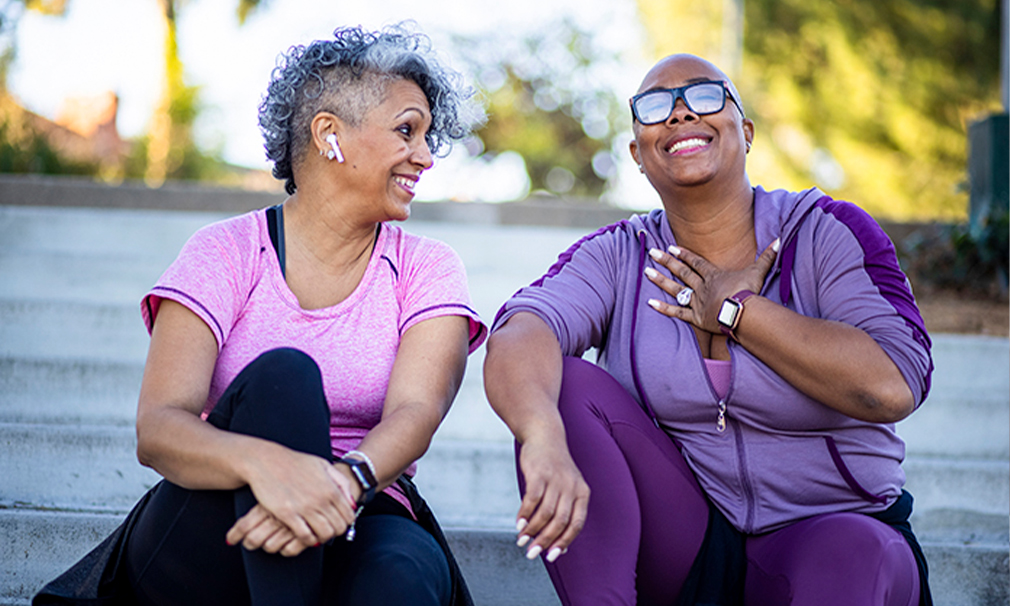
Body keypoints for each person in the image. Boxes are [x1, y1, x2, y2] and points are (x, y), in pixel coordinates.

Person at [35, 24, 486, 606]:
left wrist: (338, 483)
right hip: (214, 516)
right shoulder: (224, 251)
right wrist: (270, 469)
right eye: (407, 131)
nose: (425, 157)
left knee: (402, 573)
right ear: (330, 135)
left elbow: (417, 412)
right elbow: (159, 429)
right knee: (285, 378)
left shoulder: (428, 267)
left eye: (427, 136)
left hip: (365, 502)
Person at [484, 53, 933, 606]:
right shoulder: (620, 254)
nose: (677, 115)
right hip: (689, 545)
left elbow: (893, 384)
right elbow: (522, 330)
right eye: (654, 107)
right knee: (567, 386)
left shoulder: (826, 232)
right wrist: (541, 436)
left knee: (855, 552)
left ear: (745, 132)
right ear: (638, 156)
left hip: (831, 536)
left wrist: (738, 310)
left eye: (703, 96)